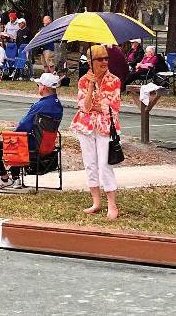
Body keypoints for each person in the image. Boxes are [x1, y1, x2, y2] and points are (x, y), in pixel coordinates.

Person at [0, 72, 63, 189]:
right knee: (20, 138)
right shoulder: (58, 105)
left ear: (44, 87)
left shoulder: (41, 105)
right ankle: (15, 177)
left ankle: (6, 178)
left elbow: (23, 125)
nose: (38, 87)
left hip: (33, 145)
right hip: (48, 144)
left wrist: (13, 132)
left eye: (38, 85)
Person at [70, 45, 121, 220]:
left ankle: (112, 204)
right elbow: (84, 106)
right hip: (85, 126)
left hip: (106, 127)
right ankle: (96, 202)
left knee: (105, 165)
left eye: (106, 58)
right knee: (90, 164)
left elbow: (113, 106)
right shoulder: (84, 80)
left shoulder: (114, 80)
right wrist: (92, 85)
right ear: (91, 62)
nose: (105, 62)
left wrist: (97, 106)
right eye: (100, 59)